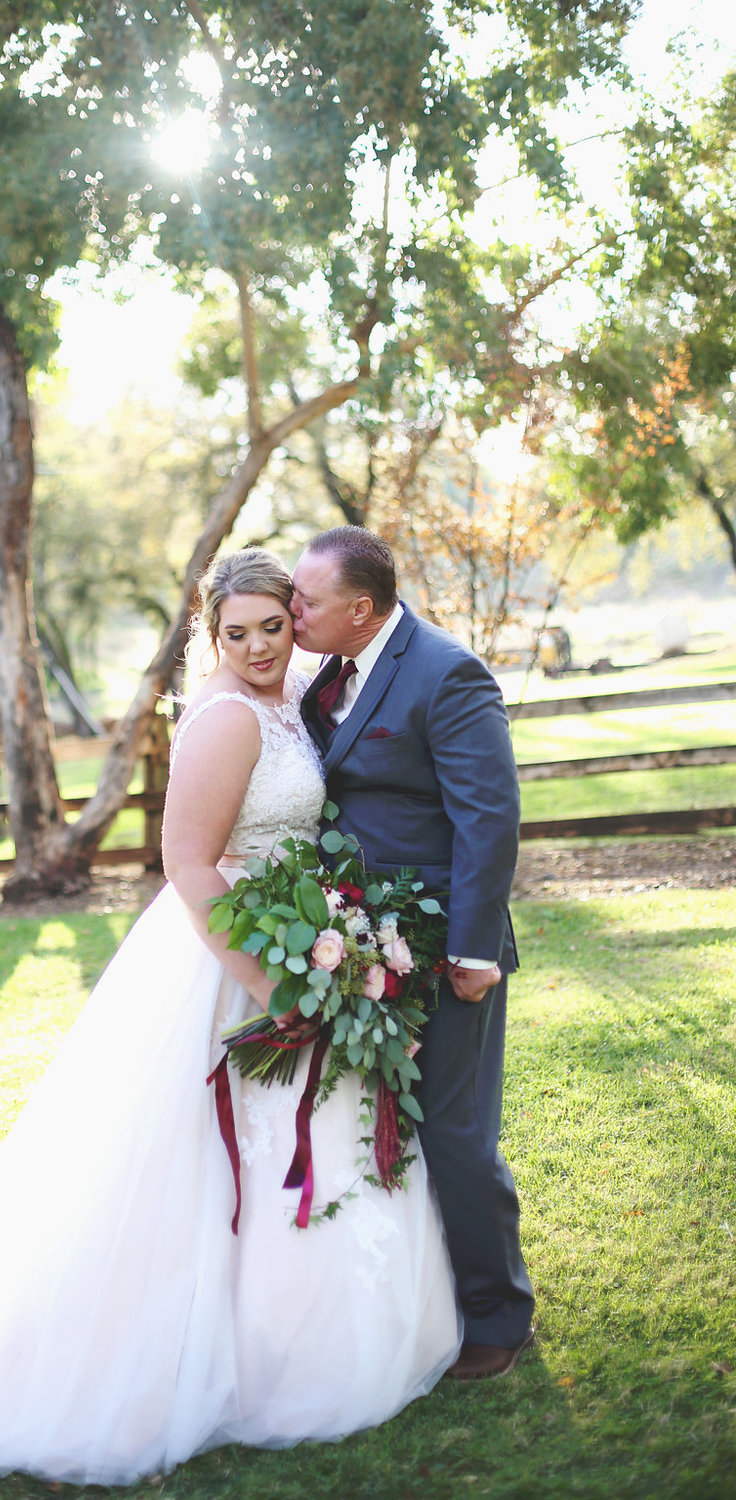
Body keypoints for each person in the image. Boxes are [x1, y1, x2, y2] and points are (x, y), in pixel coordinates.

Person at [0, 547, 460, 1488]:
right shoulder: (227, 718)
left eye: (272, 627)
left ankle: (292, 1345)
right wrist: (268, 979)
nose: (255, 647)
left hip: (299, 932)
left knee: (306, 1141)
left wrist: (330, 938)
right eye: (233, 633)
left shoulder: (301, 696)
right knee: (192, 1162)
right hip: (225, 950)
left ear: (297, 621)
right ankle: (192, 1357)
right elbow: (190, 865)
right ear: (212, 637)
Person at [291, 526, 535, 1380]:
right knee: (387, 1124)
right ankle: (420, 1299)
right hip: (360, 943)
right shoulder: (329, 671)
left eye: (306, 599)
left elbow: (488, 819)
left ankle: (500, 1319)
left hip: (444, 948)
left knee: (456, 1130)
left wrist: (473, 950)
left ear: (361, 609)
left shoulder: (448, 673)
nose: (292, 611)